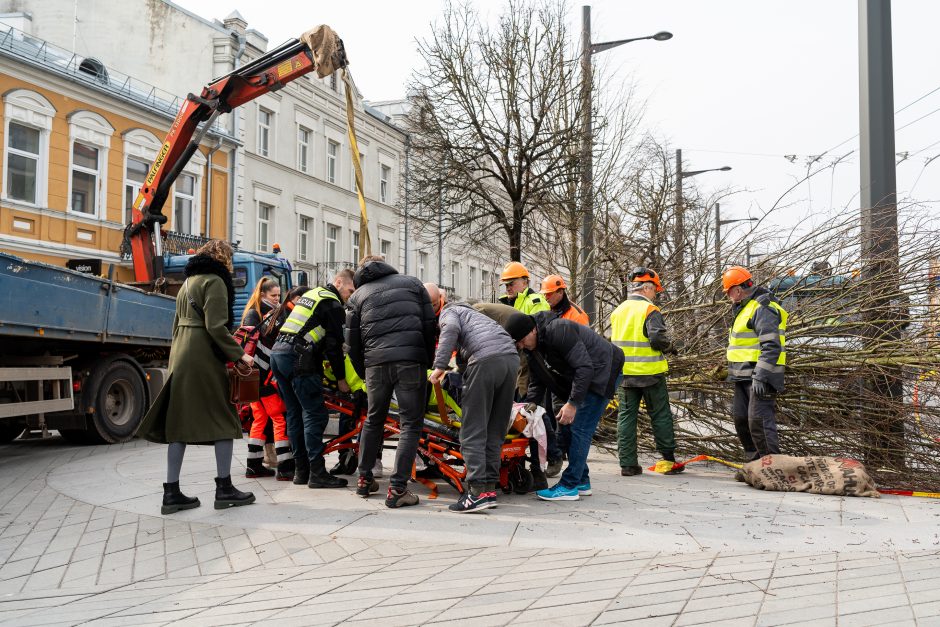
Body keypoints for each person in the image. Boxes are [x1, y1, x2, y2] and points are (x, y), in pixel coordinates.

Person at [138, 240, 255, 514]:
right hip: (203, 354)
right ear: (224, 259)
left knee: (178, 422)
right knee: (224, 418)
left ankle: (171, 493)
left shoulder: (187, 283)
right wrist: (240, 355)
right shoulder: (214, 281)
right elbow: (215, 326)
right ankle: (224, 489)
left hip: (182, 351)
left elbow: (176, 324)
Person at [346, 256, 437, 508]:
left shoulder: (358, 296)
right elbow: (430, 325)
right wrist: (426, 360)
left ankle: (364, 480)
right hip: (410, 361)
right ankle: (397, 488)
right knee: (410, 424)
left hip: (375, 364)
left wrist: (364, 370)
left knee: (374, 419)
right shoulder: (413, 284)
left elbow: (351, 342)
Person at [507, 311, 624, 501]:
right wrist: (529, 408)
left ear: (532, 331)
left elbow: (584, 367)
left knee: (580, 428)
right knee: (567, 425)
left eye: (521, 340)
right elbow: (538, 381)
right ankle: (582, 481)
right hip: (586, 374)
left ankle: (569, 486)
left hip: (604, 369)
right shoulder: (532, 348)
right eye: (517, 343)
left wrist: (572, 403)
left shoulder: (558, 331)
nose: (520, 346)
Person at [427, 285, 520, 513]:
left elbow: (450, 332)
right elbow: (463, 356)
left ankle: (476, 492)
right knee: (495, 428)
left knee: (473, 430)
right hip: (510, 360)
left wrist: (439, 368)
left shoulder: (450, 312)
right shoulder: (475, 315)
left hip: (486, 359)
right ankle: (488, 488)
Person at [269, 270, 355, 489]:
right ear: (339, 282)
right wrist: (341, 379)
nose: (350, 296)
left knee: (295, 414)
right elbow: (334, 346)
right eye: (350, 290)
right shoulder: (332, 303)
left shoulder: (312, 295)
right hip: (299, 360)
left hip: (279, 355)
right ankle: (317, 473)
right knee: (315, 414)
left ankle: (301, 471)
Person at [473, 301, 557, 487]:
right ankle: (541, 465)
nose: (508, 288)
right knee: (530, 413)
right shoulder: (485, 314)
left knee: (529, 413)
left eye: (511, 283)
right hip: (516, 351)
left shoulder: (474, 316)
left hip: (516, 356)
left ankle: (546, 460)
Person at [611, 267, 682, 476]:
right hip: (650, 373)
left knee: (626, 417)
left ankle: (628, 464)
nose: (655, 295)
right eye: (655, 291)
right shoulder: (650, 310)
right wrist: (670, 347)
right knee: (660, 415)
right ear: (647, 288)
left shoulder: (618, 310)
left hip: (625, 374)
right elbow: (657, 339)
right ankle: (668, 460)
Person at [722, 265, 788, 463]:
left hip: (760, 376)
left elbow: (771, 346)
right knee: (741, 420)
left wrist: (760, 375)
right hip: (742, 375)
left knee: (758, 421)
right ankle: (754, 464)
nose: (728, 297)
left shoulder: (762, 308)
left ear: (738, 290)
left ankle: (772, 466)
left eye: (728, 292)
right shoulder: (746, 307)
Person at [240, 277, 295, 481]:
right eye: (273, 295)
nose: (277, 299)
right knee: (279, 418)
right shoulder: (262, 314)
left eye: (279, 295)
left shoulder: (252, 313)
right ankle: (285, 466)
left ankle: (253, 465)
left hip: (254, 377)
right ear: (262, 295)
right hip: (264, 377)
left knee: (260, 419)